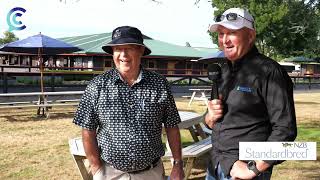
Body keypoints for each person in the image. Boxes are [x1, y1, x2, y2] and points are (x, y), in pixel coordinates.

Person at [73, 26, 184, 180]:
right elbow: (87, 130)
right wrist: (96, 168)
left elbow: (172, 126)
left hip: (151, 173)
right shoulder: (97, 85)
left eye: (129, 48)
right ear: (112, 53)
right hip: (110, 173)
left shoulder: (159, 84)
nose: (123, 54)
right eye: (117, 48)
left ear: (140, 51)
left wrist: (178, 164)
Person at [204, 8, 297, 180]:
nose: (225, 40)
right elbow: (211, 119)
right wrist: (209, 118)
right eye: (221, 34)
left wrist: (254, 168)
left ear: (250, 36)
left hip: (243, 171)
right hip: (215, 164)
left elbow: (285, 130)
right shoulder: (223, 70)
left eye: (232, 33)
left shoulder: (269, 71)